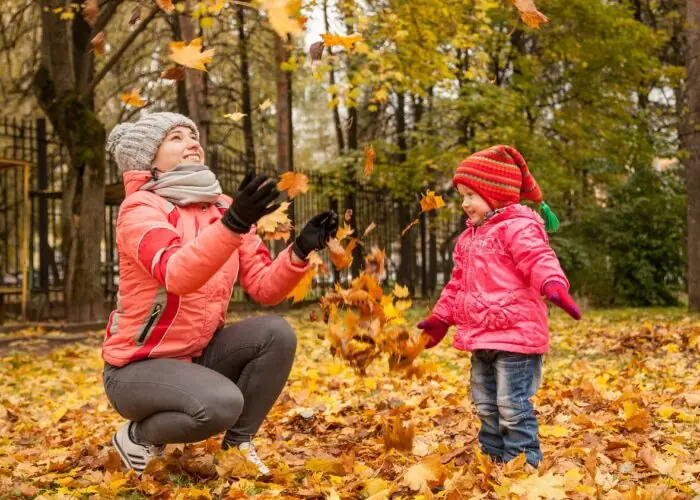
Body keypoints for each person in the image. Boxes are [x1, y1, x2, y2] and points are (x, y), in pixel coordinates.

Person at [101, 112, 338, 475]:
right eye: (176, 138)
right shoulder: (140, 209)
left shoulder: (223, 207)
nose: (191, 142)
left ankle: (237, 448)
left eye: (193, 136)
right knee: (220, 405)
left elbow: (263, 287)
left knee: (276, 334)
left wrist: (300, 250)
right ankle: (139, 435)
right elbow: (176, 273)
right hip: (136, 368)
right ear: (148, 159)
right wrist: (232, 226)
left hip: (196, 357)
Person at [417, 145, 581, 468]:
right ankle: (491, 463)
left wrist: (554, 285)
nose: (464, 203)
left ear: (495, 193)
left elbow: (538, 259)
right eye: (462, 195)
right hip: (482, 337)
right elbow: (457, 284)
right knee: (486, 405)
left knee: (511, 405)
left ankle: (522, 467)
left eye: (471, 195)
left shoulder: (518, 227)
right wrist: (441, 317)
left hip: (517, 339)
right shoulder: (469, 239)